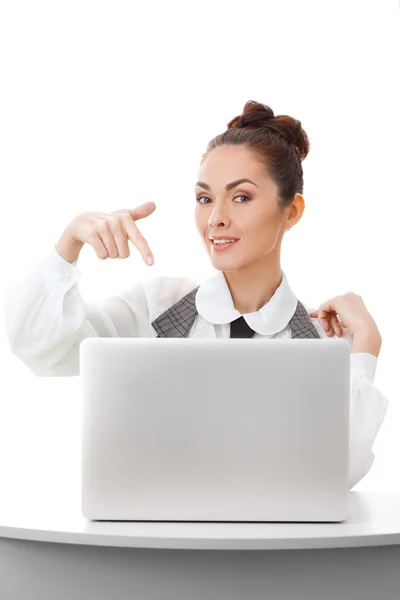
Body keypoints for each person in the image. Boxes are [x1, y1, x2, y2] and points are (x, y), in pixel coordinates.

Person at [4, 100, 389, 489]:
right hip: (155, 542)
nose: (215, 218)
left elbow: (336, 476)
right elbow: (43, 349)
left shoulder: (324, 339)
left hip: (270, 548)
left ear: (290, 212)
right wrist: (67, 245)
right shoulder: (154, 308)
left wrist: (366, 348)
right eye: (205, 198)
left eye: (241, 197)